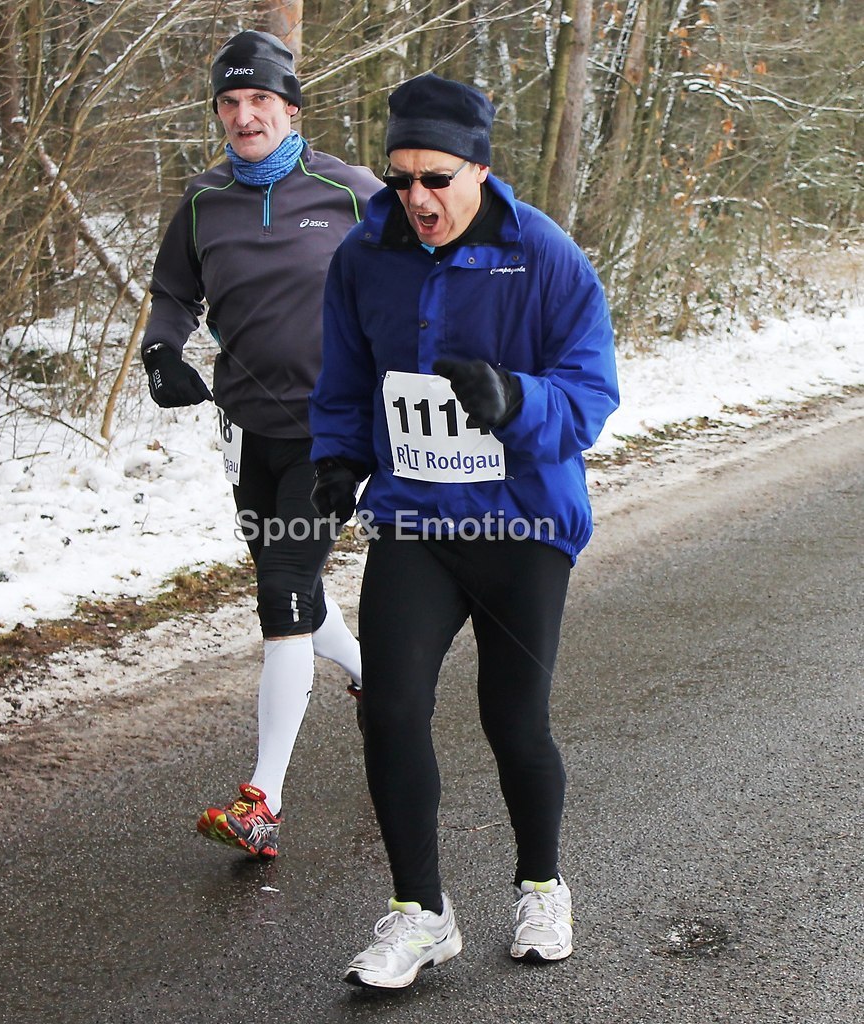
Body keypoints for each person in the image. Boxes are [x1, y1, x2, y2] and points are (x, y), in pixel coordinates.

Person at [309, 73, 619, 988]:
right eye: (400, 178)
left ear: (479, 169)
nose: (417, 198)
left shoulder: (545, 256)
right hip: (417, 521)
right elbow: (346, 378)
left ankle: (541, 885)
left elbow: (591, 395)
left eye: (435, 179)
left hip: (524, 524)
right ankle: (421, 913)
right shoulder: (364, 257)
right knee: (390, 706)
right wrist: (337, 461)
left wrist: (515, 398)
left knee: (512, 720)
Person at [140, 30, 381, 859]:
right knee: (295, 586)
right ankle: (372, 676)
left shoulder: (350, 191)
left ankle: (262, 802)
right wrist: (161, 353)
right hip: (245, 432)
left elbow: (417, 270)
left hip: (330, 433)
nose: (245, 116)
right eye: (231, 102)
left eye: (260, 101)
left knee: (281, 595)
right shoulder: (203, 201)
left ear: (291, 109)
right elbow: (172, 292)